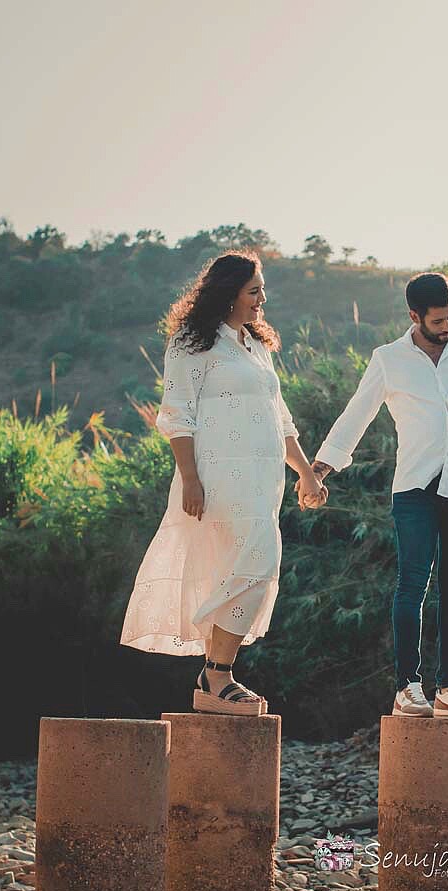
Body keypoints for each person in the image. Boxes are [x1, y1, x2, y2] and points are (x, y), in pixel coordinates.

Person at [306, 272, 448, 718]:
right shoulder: (389, 359)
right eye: (438, 320)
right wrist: (320, 468)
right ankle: (408, 686)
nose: (447, 326)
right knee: (412, 584)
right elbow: (357, 414)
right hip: (414, 485)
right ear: (414, 316)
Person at [120, 250, 328, 715]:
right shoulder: (192, 343)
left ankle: (216, 677)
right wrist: (190, 477)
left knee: (245, 567)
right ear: (228, 292)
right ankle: (217, 674)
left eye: (261, 290)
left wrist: (307, 472)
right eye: (254, 290)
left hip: (263, 479)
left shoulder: (254, 345)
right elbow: (176, 415)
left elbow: (281, 418)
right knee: (254, 561)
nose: (262, 299)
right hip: (219, 477)